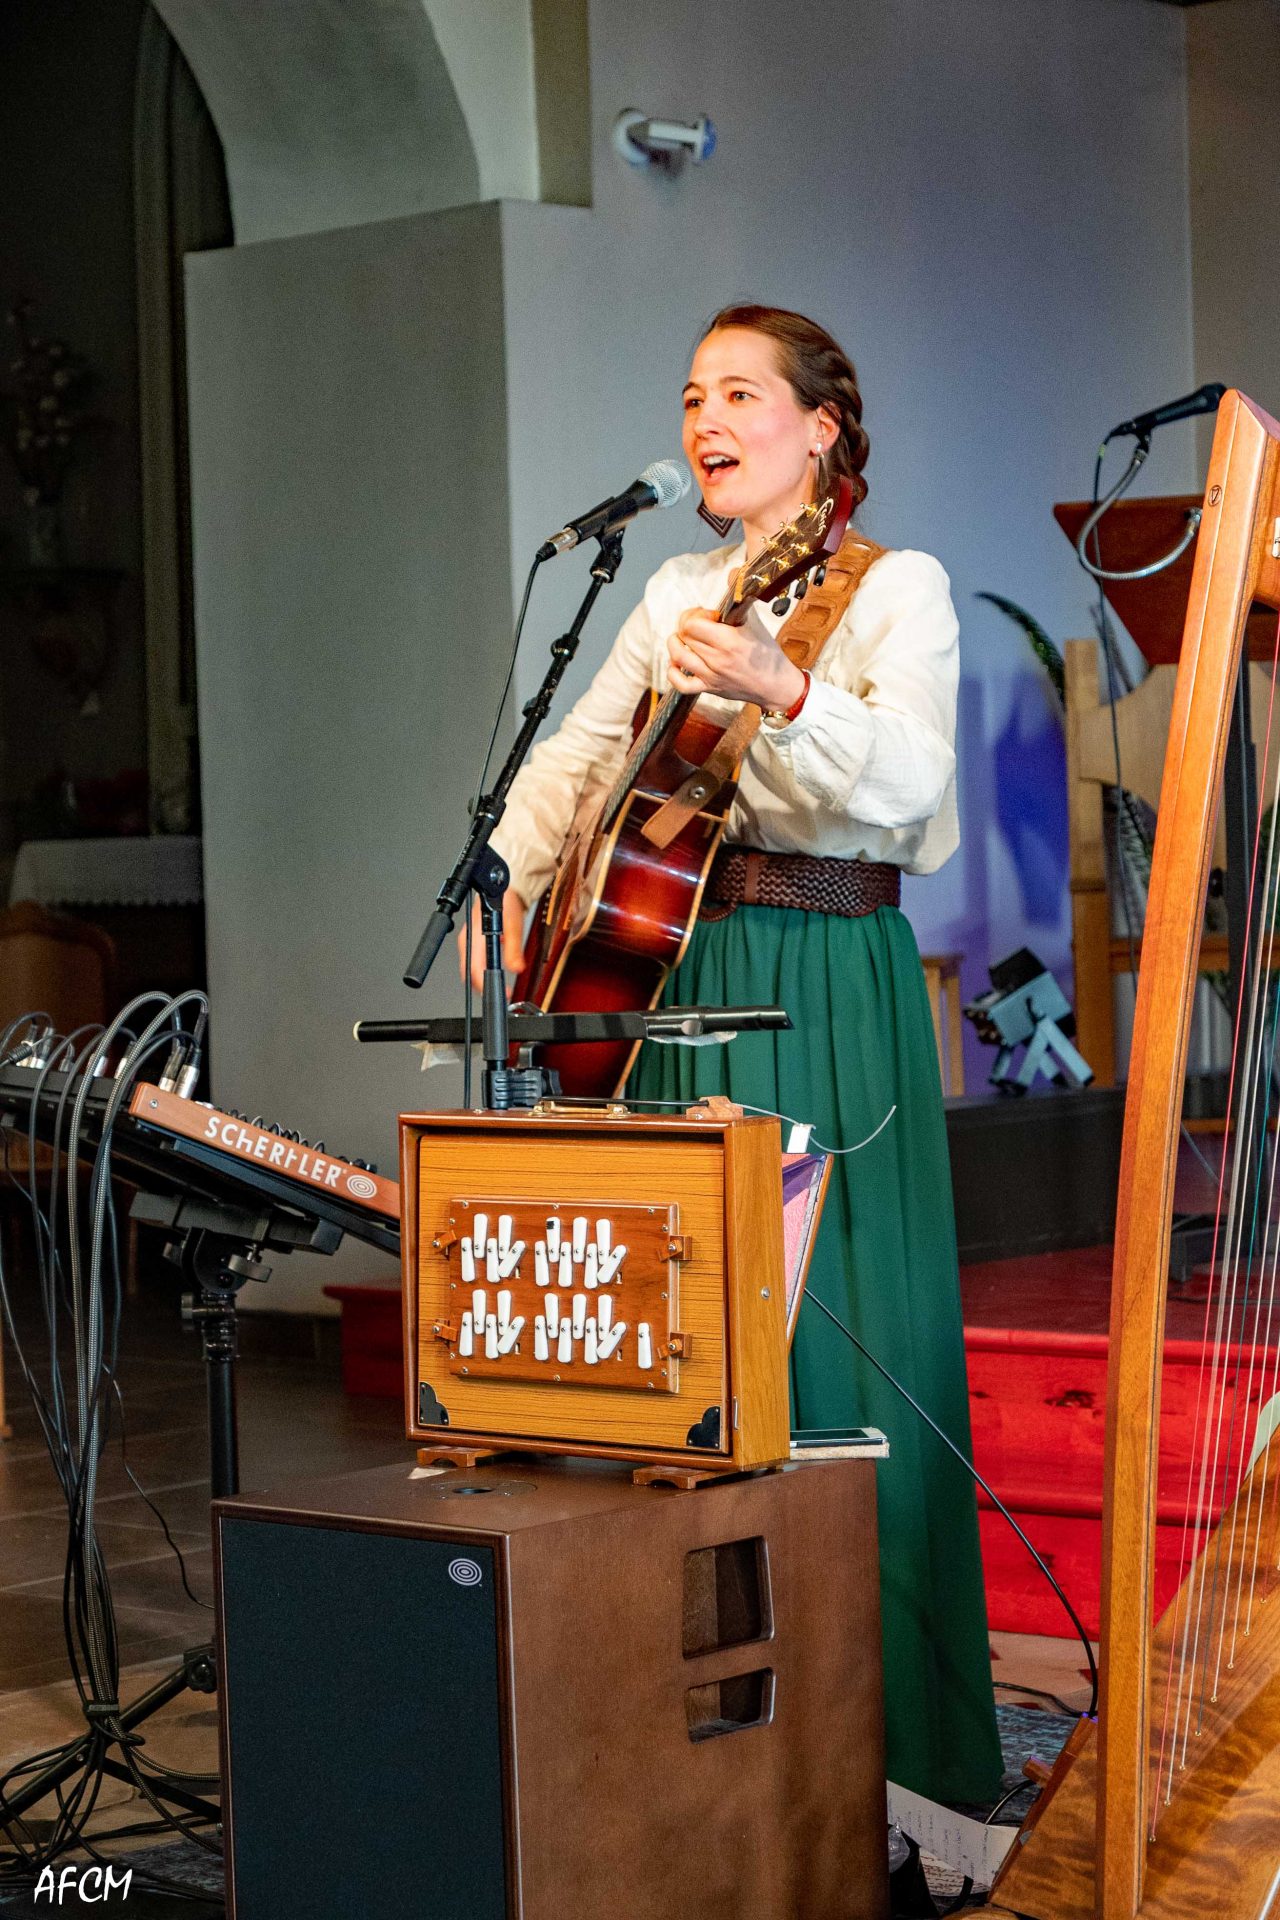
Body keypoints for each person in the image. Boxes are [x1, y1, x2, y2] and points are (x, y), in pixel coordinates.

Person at [462, 304, 1003, 1806]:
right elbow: (585, 753)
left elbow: (915, 783)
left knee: (830, 1330)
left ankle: (882, 1760)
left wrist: (788, 691)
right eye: (694, 395)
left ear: (820, 428)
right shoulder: (677, 589)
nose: (707, 419)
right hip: (680, 964)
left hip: (825, 971)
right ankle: (708, 1751)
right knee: (691, 1343)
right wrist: (505, 875)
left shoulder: (898, 587)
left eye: (742, 394)